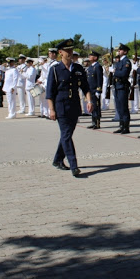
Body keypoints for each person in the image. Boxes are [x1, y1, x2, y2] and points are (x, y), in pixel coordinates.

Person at [46, 39, 93, 177]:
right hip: (60, 106)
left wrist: (89, 100)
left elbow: (85, 87)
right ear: (60, 52)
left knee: (67, 135)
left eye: (71, 50)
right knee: (66, 135)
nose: (70, 53)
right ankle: (74, 165)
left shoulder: (78, 69)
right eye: (67, 51)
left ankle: (57, 159)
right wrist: (51, 109)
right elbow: (49, 92)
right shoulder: (55, 70)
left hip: (74, 106)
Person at [112, 43, 132, 134]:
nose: (118, 51)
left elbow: (124, 74)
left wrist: (115, 72)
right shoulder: (119, 62)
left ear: (125, 51)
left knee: (124, 107)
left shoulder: (126, 62)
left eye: (120, 50)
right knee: (119, 107)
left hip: (122, 86)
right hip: (117, 86)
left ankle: (126, 127)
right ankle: (121, 125)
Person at [86, 51, 104, 129]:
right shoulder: (90, 67)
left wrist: (98, 90)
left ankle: (97, 123)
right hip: (90, 90)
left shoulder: (98, 66)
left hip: (95, 90)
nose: (89, 56)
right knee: (92, 107)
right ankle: (93, 122)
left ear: (95, 58)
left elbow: (100, 79)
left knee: (96, 107)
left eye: (91, 55)